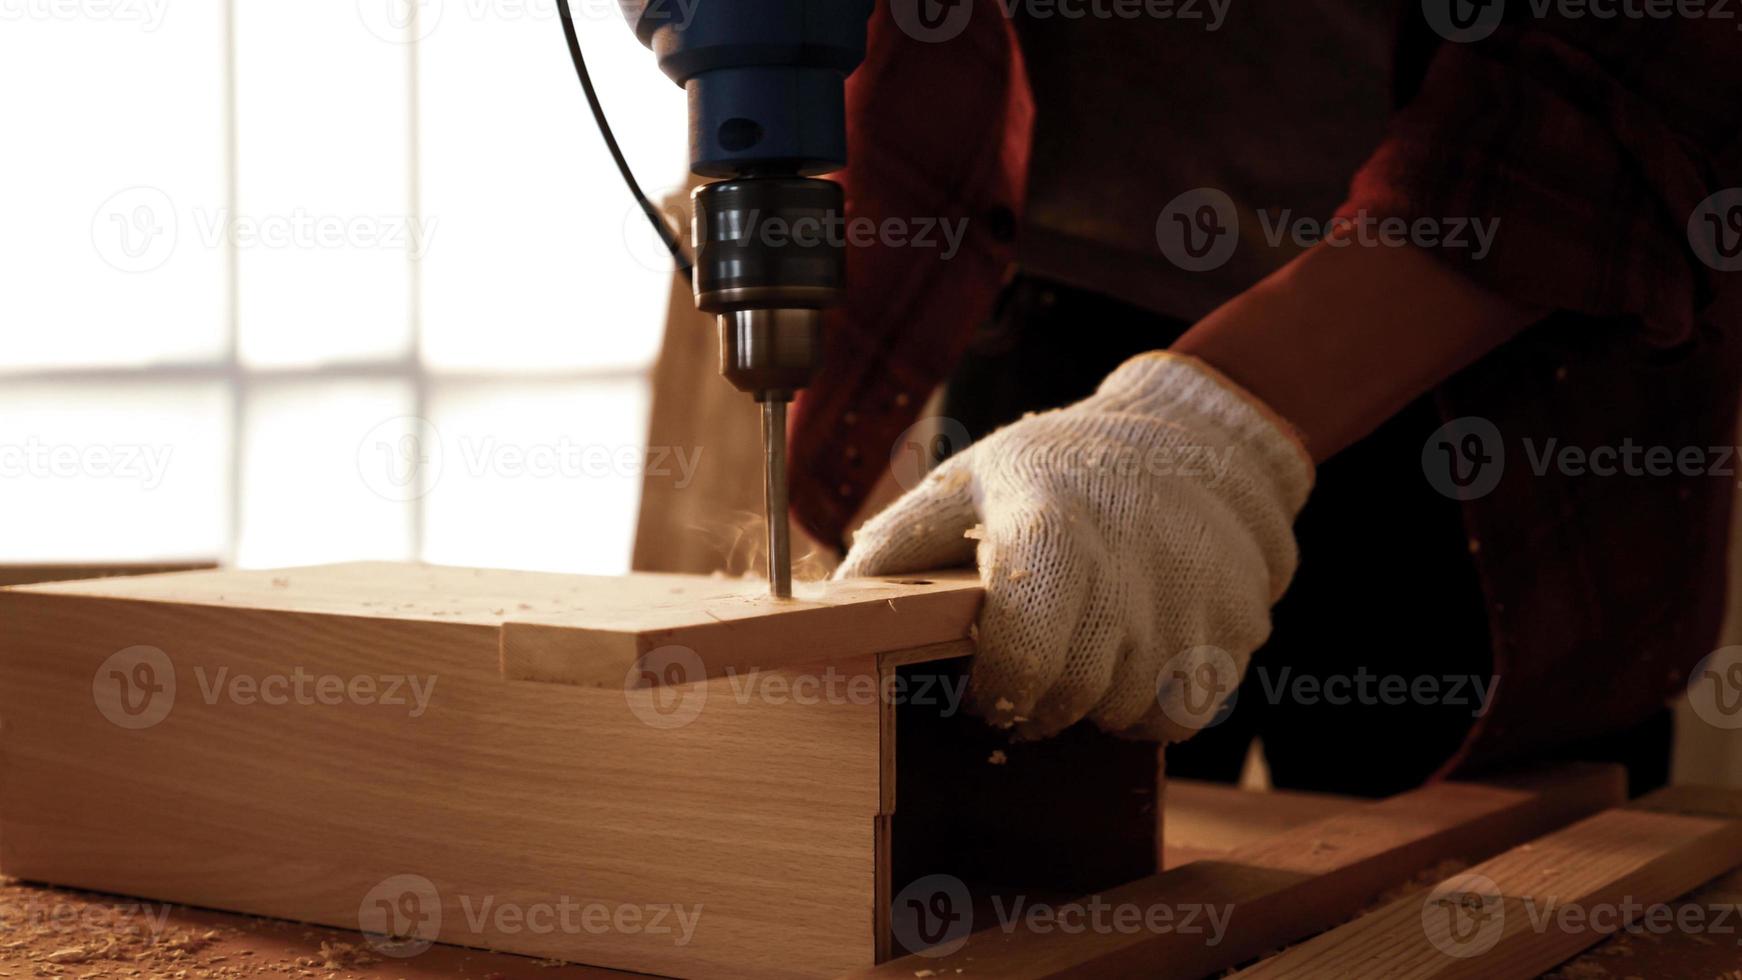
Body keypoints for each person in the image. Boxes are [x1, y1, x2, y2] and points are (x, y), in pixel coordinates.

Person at [788, 1, 1742, 797]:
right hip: (1053, 358)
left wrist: (1202, 424)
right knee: (1032, 867)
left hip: (1488, 368)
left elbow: (1659, 69)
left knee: (1476, 895)